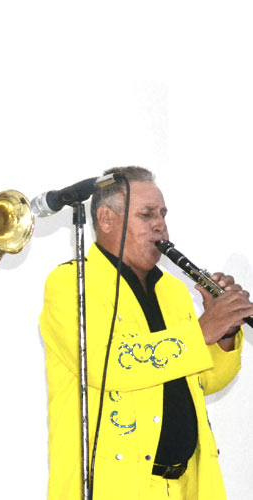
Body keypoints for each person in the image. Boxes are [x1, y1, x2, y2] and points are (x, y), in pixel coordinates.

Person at [39, 166, 253, 499]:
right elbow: (109, 365)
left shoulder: (174, 291)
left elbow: (204, 381)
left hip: (185, 487)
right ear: (106, 220)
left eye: (163, 214)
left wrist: (226, 330)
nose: (160, 225)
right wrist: (202, 331)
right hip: (114, 488)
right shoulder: (71, 283)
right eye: (147, 214)